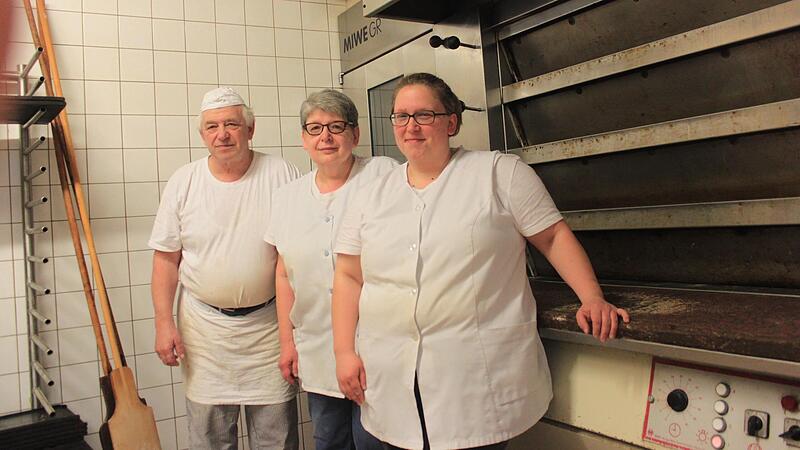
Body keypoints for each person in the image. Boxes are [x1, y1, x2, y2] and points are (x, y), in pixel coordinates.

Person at [331, 73, 631, 450]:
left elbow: (552, 237)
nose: (411, 126)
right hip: (389, 379)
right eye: (401, 116)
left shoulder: (499, 173)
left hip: (474, 385)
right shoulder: (370, 195)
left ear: (451, 122)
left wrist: (591, 297)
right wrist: (344, 352)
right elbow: (348, 276)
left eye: (424, 115)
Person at [149, 87, 301, 450]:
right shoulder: (184, 182)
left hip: (269, 330)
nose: (223, 134)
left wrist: (293, 335)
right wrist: (163, 323)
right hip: (205, 332)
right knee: (209, 440)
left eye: (232, 124)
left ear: (250, 129)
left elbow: (297, 255)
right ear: (203, 135)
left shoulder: (281, 173)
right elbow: (166, 259)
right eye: (212, 127)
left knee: (276, 439)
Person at [265, 89, 396, 450]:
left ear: (355, 134)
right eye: (315, 128)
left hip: (378, 344)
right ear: (303, 138)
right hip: (317, 347)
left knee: (375, 441)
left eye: (336, 126)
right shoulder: (287, 197)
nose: (326, 137)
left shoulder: (384, 176)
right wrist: (287, 342)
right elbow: (283, 273)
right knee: (330, 440)